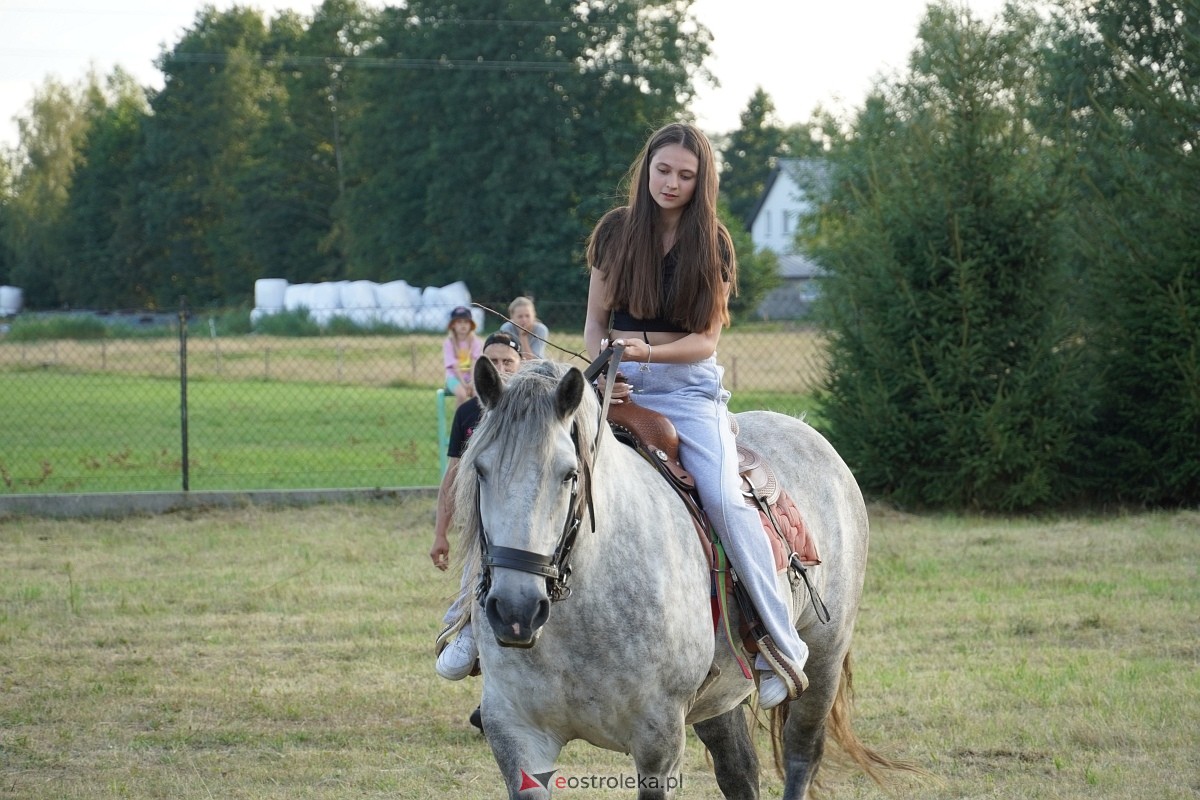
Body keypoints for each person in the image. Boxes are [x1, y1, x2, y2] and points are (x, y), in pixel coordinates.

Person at [582, 122, 809, 710]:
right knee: (540, 463)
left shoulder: (715, 243)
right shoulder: (613, 234)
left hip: (687, 389)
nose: (671, 183)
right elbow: (594, 322)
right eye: (663, 171)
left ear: (700, 181)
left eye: (686, 175)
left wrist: (649, 353)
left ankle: (780, 646)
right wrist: (604, 366)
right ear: (646, 169)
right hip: (617, 378)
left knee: (726, 501)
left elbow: (707, 339)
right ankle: (471, 628)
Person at [431, 331, 523, 683]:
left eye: (508, 362)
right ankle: (466, 627)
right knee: (454, 665)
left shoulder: (537, 412)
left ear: (522, 365)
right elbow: (452, 477)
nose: (501, 369)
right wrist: (440, 533)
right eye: (493, 363)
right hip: (483, 528)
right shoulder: (469, 413)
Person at [443, 306, 483, 406]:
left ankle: (475, 421)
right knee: (462, 394)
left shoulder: (476, 342)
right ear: (453, 325)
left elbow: (475, 363)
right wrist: (464, 384)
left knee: (477, 394)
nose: (463, 325)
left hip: (472, 377)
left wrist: (472, 382)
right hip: (454, 377)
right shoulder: (449, 343)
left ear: (470, 324)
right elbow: (454, 365)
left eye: (466, 322)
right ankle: (459, 421)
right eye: (459, 322)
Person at [498, 296, 549, 360]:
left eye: (527, 316)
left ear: (534, 315)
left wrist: (523, 336)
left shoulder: (541, 330)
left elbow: (531, 360)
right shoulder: (506, 329)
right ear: (512, 317)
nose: (524, 320)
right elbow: (507, 356)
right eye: (520, 316)